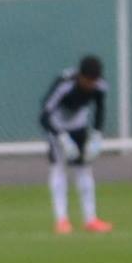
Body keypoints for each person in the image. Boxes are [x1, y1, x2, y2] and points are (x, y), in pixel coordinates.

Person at [39, 54, 112, 234]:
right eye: (89, 81)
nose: (91, 85)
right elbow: (44, 115)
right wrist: (62, 137)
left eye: (94, 81)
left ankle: (90, 219)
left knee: (84, 169)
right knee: (59, 169)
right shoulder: (64, 84)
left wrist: (96, 136)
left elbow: (100, 109)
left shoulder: (99, 85)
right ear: (81, 77)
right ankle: (61, 220)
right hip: (57, 127)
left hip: (79, 127)